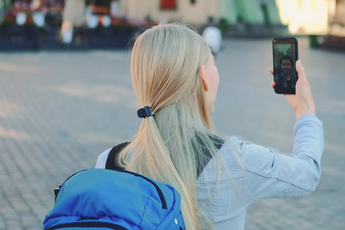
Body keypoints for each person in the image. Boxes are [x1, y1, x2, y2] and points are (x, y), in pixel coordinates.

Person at [95, 23, 324, 230]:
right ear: (204, 77)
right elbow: (307, 173)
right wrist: (304, 109)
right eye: (213, 64)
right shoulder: (235, 160)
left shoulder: (107, 162)